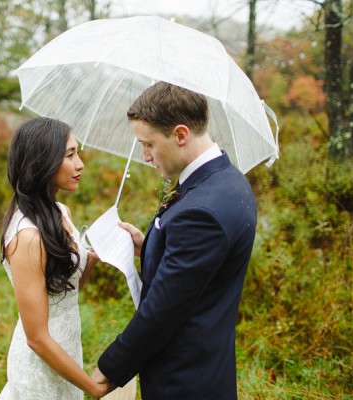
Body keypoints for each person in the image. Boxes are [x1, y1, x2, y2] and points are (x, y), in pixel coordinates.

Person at [92, 82, 258, 399]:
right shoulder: (225, 180)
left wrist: (108, 371)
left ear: (180, 135)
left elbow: (162, 312)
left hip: (184, 380)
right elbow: (198, 273)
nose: (145, 156)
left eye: (149, 144)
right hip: (205, 367)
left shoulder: (202, 210)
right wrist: (150, 247)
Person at [0, 117, 109, 399]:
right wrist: (91, 386)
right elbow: (36, 338)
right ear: (42, 162)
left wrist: (93, 258)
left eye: (78, 152)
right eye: (70, 155)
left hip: (67, 348)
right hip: (41, 363)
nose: (80, 163)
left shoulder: (60, 212)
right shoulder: (28, 237)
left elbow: (64, 292)